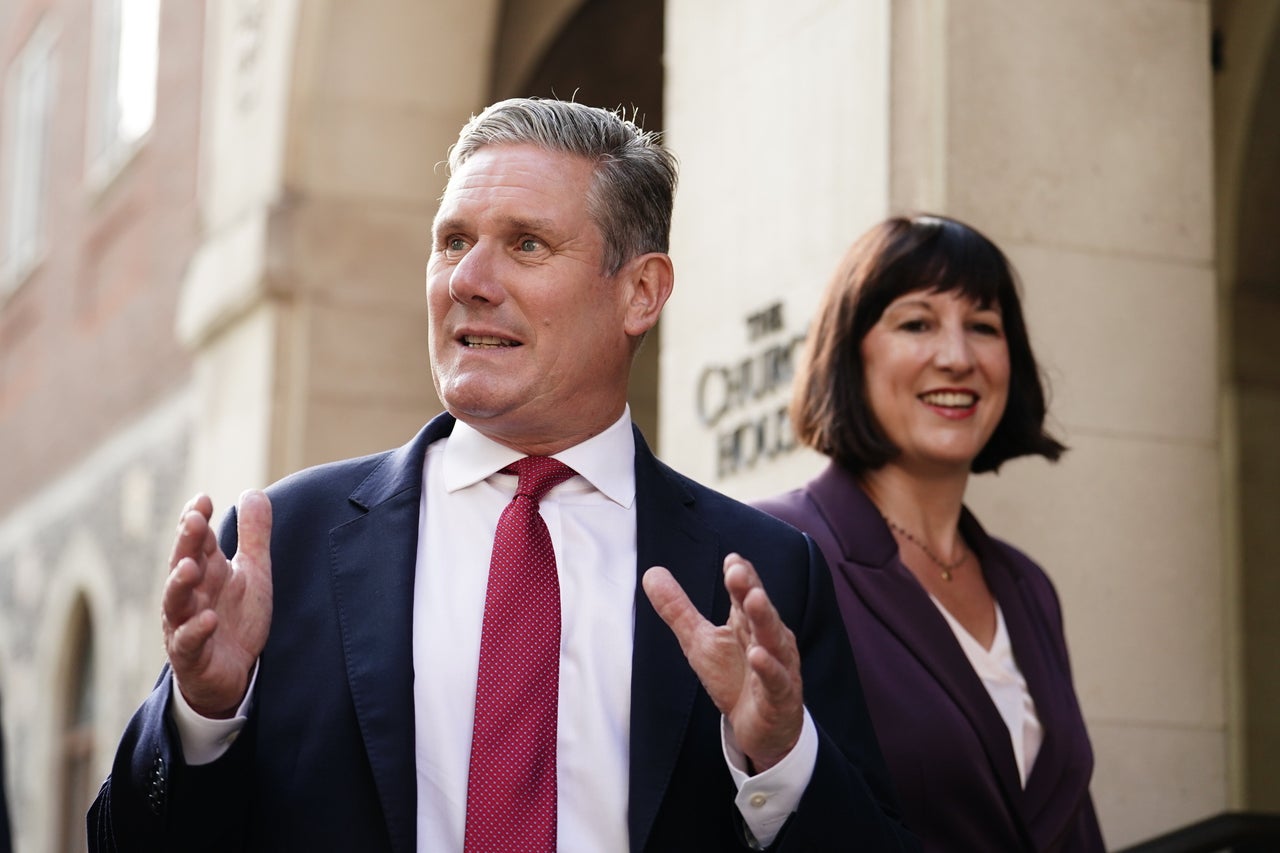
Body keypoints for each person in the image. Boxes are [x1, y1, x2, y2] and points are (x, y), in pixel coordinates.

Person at [87, 98, 915, 852]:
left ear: (641, 292)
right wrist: (202, 715)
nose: (469, 283)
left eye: (526, 244)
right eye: (453, 241)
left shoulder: (766, 571)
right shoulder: (286, 543)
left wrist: (780, 758)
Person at [754, 214, 1104, 851]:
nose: (957, 357)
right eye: (917, 323)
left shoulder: (1028, 587)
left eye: (983, 327)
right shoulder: (777, 548)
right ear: (850, 350)